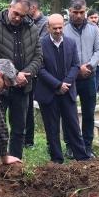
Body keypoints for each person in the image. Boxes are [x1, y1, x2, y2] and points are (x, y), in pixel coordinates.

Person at [0, 0, 44, 159]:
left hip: (23, 86)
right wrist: (14, 75)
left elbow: (38, 56)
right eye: (16, 13)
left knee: (19, 129)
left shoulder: (32, 29)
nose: (18, 18)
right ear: (9, 7)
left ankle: (15, 163)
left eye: (22, 16)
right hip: (0, 86)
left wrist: (25, 74)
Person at [36, 14, 91, 163]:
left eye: (60, 27)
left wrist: (66, 83)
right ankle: (57, 160)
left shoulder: (70, 43)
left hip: (67, 91)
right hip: (49, 92)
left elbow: (75, 65)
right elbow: (40, 69)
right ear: (48, 27)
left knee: (73, 126)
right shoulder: (40, 44)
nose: (58, 31)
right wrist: (57, 85)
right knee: (52, 128)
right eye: (55, 28)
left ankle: (82, 158)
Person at [63, 0, 99, 156]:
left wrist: (89, 66)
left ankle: (87, 146)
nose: (79, 15)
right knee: (68, 113)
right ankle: (70, 146)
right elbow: (61, 53)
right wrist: (76, 69)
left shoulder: (93, 29)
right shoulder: (64, 30)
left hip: (89, 76)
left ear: (86, 11)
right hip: (70, 78)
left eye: (82, 12)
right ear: (69, 11)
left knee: (88, 113)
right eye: (75, 12)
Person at [24, 0, 47, 148]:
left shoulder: (45, 23)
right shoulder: (26, 21)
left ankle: (48, 139)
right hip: (28, 70)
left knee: (42, 105)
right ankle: (27, 139)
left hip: (41, 70)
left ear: (33, 8)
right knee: (26, 106)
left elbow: (39, 46)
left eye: (26, 8)